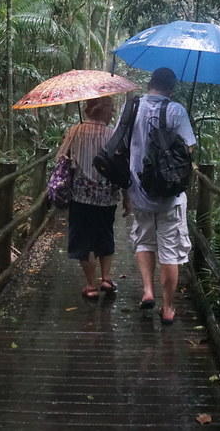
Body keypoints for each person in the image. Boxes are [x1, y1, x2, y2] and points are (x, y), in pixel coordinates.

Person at [124, 67, 196, 325]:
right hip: (170, 193)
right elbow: (189, 147)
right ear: (171, 88)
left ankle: (147, 290)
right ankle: (167, 308)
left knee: (143, 239)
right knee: (171, 251)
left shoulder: (131, 108)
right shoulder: (177, 110)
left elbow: (121, 142)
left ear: (150, 84)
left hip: (139, 188)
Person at [56, 96, 122, 300]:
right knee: (105, 233)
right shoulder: (113, 135)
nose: (112, 114)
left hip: (81, 195)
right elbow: (121, 166)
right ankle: (106, 278)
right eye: (112, 110)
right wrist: (127, 197)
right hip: (107, 196)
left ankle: (90, 285)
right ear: (104, 111)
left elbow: (60, 157)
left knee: (82, 238)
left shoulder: (75, 131)